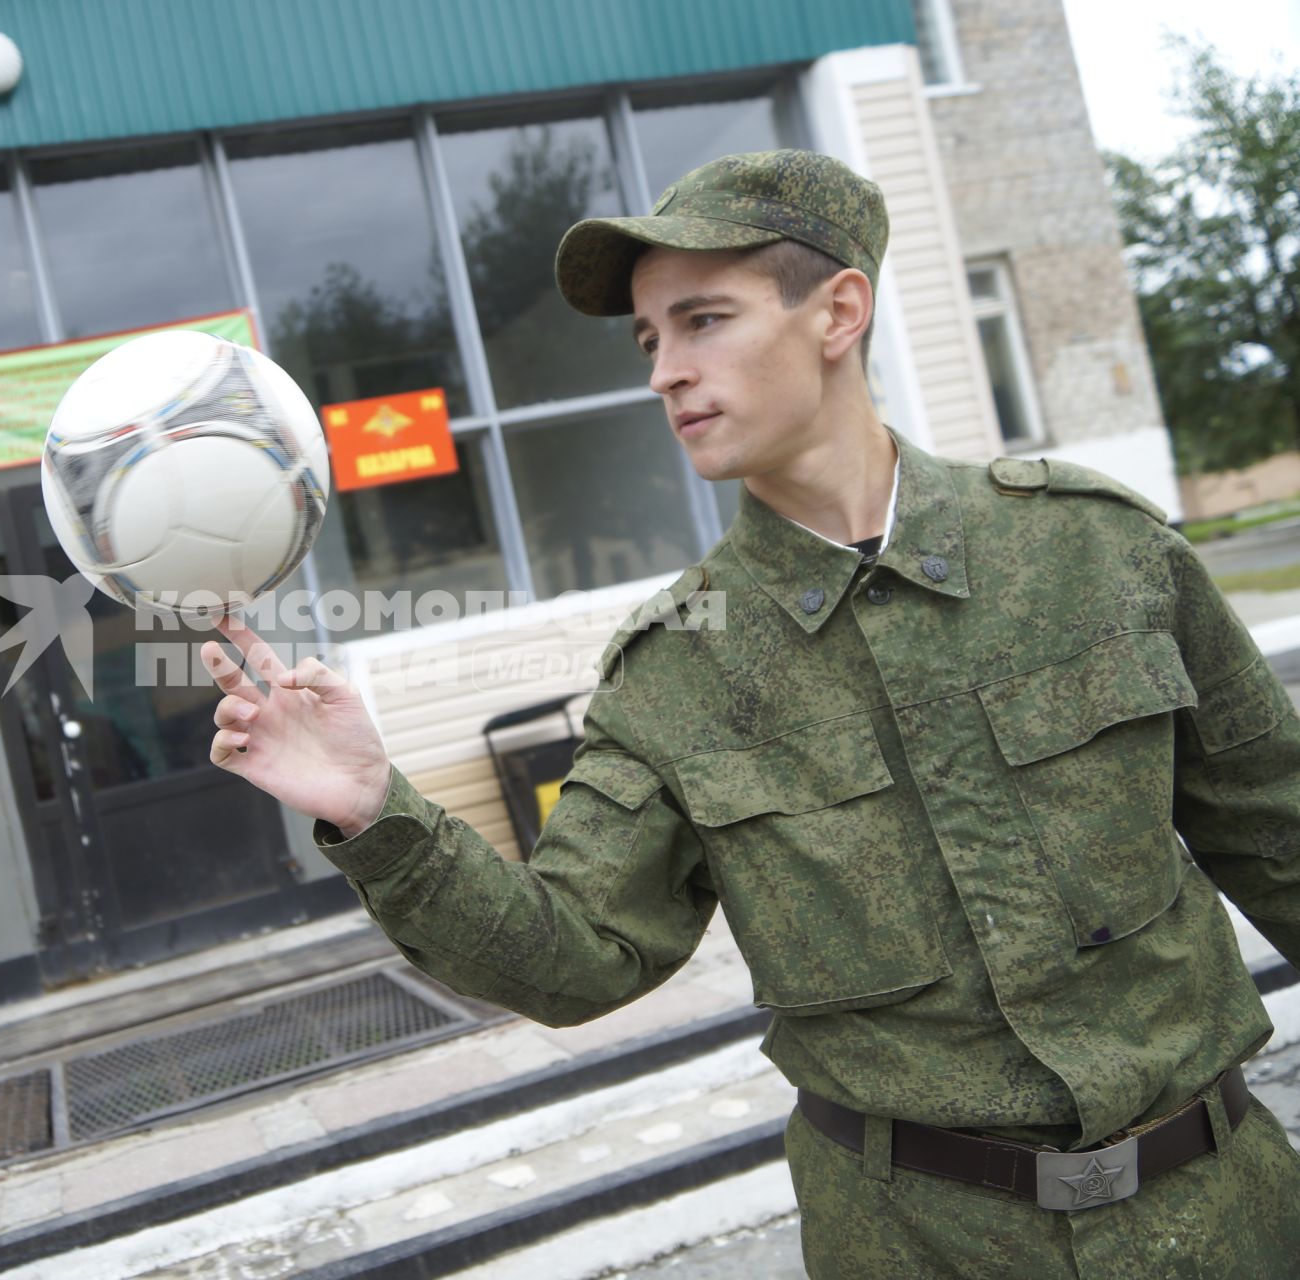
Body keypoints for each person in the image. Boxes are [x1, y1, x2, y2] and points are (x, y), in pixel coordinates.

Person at [194, 149, 1300, 1277]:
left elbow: (1280, 835)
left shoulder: (1092, 552)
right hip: (917, 1243)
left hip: (1223, 1218)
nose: (663, 371)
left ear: (837, 312)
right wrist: (375, 809)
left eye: (702, 320)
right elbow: (578, 957)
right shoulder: (676, 670)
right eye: (647, 340)